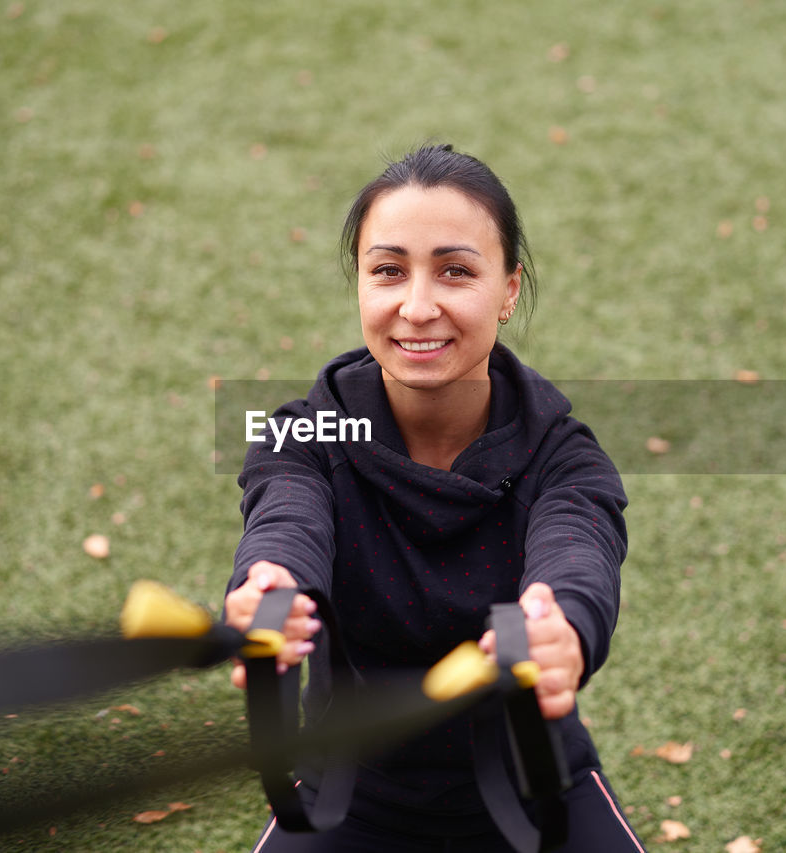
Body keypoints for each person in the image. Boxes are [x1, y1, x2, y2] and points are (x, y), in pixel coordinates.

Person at [224, 144, 645, 852]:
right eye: (388, 270)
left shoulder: (565, 455)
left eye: (455, 270)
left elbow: (579, 551)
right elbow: (285, 516)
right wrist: (269, 582)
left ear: (509, 290)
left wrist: (561, 626)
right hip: (348, 793)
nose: (417, 307)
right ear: (359, 284)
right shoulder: (305, 433)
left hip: (537, 786)